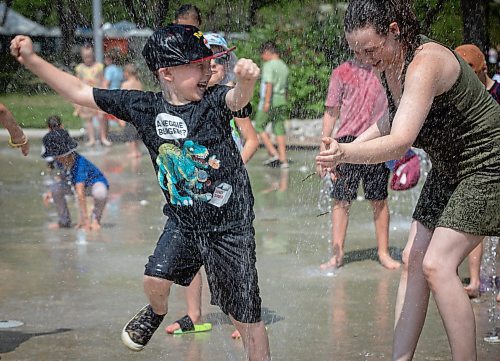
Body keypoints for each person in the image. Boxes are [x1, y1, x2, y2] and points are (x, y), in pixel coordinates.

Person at [10, 25, 269, 360]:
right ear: (167, 73)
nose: (209, 71)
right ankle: (156, 311)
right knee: (154, 280)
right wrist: (32, 60)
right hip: (184, 221)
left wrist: (246, 81)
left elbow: (238, 99)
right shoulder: (144, 107)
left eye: (211, 64)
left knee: (246, 317)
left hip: (230, 227)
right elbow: (78, 91)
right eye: (200, 65)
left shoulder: (215, 101)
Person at [315, 1, 500, 360]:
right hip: (451, 169)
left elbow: (400, 142)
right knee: (414, 261)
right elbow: (392, 121)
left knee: (437, 265)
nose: (367, 59)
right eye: (357, 52)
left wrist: (345, 154)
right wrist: (344, 144)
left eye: (371, 49)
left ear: (395, 30)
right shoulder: (390, 63)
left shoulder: (425, 62)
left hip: (488, 164)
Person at [164, 32, 259, 338]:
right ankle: (194, 314)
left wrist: (228, 175)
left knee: (231, 262)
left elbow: (252, 140)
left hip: (224, 194)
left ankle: (241, 318)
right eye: (207, 59)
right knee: (190, 253)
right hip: (193, 194)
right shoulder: (186, 99)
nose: (213, 65)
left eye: (219, 59)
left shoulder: (230, 98)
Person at [318, 60, 400, 271]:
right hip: (346, 141)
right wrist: (324, 147)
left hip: (378, 140)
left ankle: (383, 252)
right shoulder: (341, 72)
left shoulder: (383, 68)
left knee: (379, 198)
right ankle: (337, 255)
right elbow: (331, 111)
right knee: (341, 199)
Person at [455, 44, 500, 302]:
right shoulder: (461, 94)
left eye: (470, 68)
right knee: (474, 227)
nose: (465, 74)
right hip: (472, 166)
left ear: (483, 68)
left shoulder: (497, 90)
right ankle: (474, 281)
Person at [41, 125, 109, 231]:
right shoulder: (60, 161)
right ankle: (64, 221)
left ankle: (95, 220)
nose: (54, 157)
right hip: (76, 186)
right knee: (55, 188)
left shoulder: (79, 164)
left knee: (101, 193)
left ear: (65, 153)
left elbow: (80, 192)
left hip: (94, 184)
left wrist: (84, 219)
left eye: (55, 155)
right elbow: (64, 176)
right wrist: (50, 192)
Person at [255, 41, 290, 168]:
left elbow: (269, 84)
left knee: (258, 126)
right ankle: (283, 159)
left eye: (262, 55)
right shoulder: (284, 66)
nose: (262, 58)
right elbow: (286, 87)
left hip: (271, 100)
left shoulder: (269, 65)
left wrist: (267, 102)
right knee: (279, 128)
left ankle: (273, 152)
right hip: (281, 100)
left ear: (268, 53)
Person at [74, 45, 105, 147]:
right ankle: (91, 138)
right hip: (86, 95)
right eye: (86, 57)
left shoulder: (98, 67)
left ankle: (103, 137)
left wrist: (105, 92)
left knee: (101, 116)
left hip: (98, 94)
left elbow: (102, 80)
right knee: (88, 118)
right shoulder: (80, 68)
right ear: (82, 57)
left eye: (90, 56)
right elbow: (78, 82)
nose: (88, 59)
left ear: (93, 55)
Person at [119, 64, 143, 158]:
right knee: (136, 131)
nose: (123, 74)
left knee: (130, 133)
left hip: (129, 111)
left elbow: (121, 99)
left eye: (124, 72)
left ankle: (133, 152)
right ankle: (138, 151)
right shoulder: (138, 83)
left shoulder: (125, 84)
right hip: (138, 110)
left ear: (127, 73)